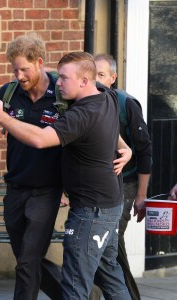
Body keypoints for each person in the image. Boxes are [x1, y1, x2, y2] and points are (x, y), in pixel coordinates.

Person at [0, 51, 132, 299]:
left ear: (85, 81)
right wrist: (124, 147)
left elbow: (41, 139)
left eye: (63, 78)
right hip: (108, 205)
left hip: (90, 212)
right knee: (111, 279)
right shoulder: (107, 96)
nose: (57, 82)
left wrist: (1, 117)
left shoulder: (80, 115)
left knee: (74, 286)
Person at [90, 53, 152, 300]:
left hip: (126, 182)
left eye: (101, 75)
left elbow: (145, 150)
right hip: (98, 184)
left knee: (109, 240)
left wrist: (141, 195)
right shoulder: (84, 102)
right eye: (91, 74)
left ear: (113, 78)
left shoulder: (127, 104)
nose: (96, 80)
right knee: (105, 243)